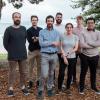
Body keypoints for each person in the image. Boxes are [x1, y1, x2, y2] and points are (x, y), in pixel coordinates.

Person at [3, 12, 29, 97]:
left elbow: (24, 40)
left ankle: (23, 86)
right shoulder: (8, 29)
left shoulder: (24, 28)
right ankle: (10, 88)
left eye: (19, 17)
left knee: (23, 72)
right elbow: (5, 43)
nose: (17, 18)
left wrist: (20, 48)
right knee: (12, 72)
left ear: (20, 18)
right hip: (12, 55)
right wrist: (11, 50)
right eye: (15, 17)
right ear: (13, 18)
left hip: (23, 54)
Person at [37, 15, 60, 98]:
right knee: (44, 74)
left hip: (54, 55)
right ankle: (40, 89)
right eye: (48, 21)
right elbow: (41, 44)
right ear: (46, 22)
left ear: (53, 22)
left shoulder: (57, 32)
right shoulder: (41, 32)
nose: (50, 22)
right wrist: (51, 42)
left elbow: (57, 43)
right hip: (44, 55)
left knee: (51, 73)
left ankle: (49, 88)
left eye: (51, 21)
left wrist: (48, 42)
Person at [79, 17, 100, 95]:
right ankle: (81, 87)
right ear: (86, 23)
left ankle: (93, 86)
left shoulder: (98, 32)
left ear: (94, 23)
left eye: (92, 23)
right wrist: (94, 45)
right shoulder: (82, 32)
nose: (90, 24)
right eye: (88, 23)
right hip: (84, 55)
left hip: (95, 56)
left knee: (93, 72)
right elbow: (82, 44)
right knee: (83, 72)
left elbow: (99, 43)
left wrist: (89, 42)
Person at [58, 23, 78, 95]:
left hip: (72, 58)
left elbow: (75, 48)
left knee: (70, 74)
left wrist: (69, 53)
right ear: (65, 28)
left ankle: (68, 88)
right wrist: (64, 56)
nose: (69, 29)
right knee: (61, 73)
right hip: (63, 57)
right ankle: (59, 88)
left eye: (70, 27)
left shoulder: (75, 37)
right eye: (67, 27)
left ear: (72, 28)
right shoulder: (62, 36)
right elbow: (60, 47)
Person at [27, 15, 42, 89]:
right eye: (33, 20)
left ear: (37, 20)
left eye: (35, 20)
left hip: (40, 51)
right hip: (32, 51)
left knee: (39, 67)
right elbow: (30, 41)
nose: (34, 21)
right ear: (31, 21)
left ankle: (38, 81)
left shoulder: (41, 29)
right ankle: (30, 81)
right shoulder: (28, 30)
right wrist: (37, 38)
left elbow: (42, 39)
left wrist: (35, 38)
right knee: (30, 67)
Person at [54, 12, 65, 89]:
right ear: (55, 18)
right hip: (53, 51)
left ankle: (61, 82)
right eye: (57, 17)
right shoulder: (52, 26)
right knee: (52, 68)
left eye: (60, 17)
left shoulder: (65, 27)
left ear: (61, 18)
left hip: (62, 51)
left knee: (62, 69)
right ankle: (52, 82)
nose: (59, 18)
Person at [72, 16, 84, 84]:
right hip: (75, 50)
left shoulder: (85, 29)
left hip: (83, 50)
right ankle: (74, 79)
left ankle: (81, 80)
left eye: (80, 20)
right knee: (73, 65)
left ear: (82, 20)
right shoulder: (73, 29)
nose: (79, 21)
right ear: (76, 21)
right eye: (77, 20)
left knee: (83, 65)